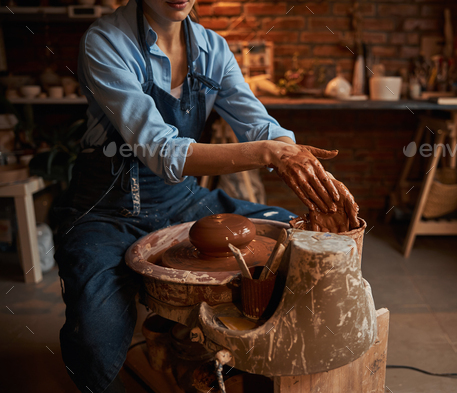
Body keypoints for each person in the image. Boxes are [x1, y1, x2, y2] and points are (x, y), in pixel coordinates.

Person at [53, 0, 356, 391]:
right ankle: (150, 348)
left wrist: (312, 173)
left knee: (293, 237)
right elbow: (161, 151)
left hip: (179, 198)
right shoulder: (106, 41)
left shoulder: (213, 48)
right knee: (94, 340)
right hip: (106, 208)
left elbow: (258, 124)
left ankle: (213, 357)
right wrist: (271, 154)